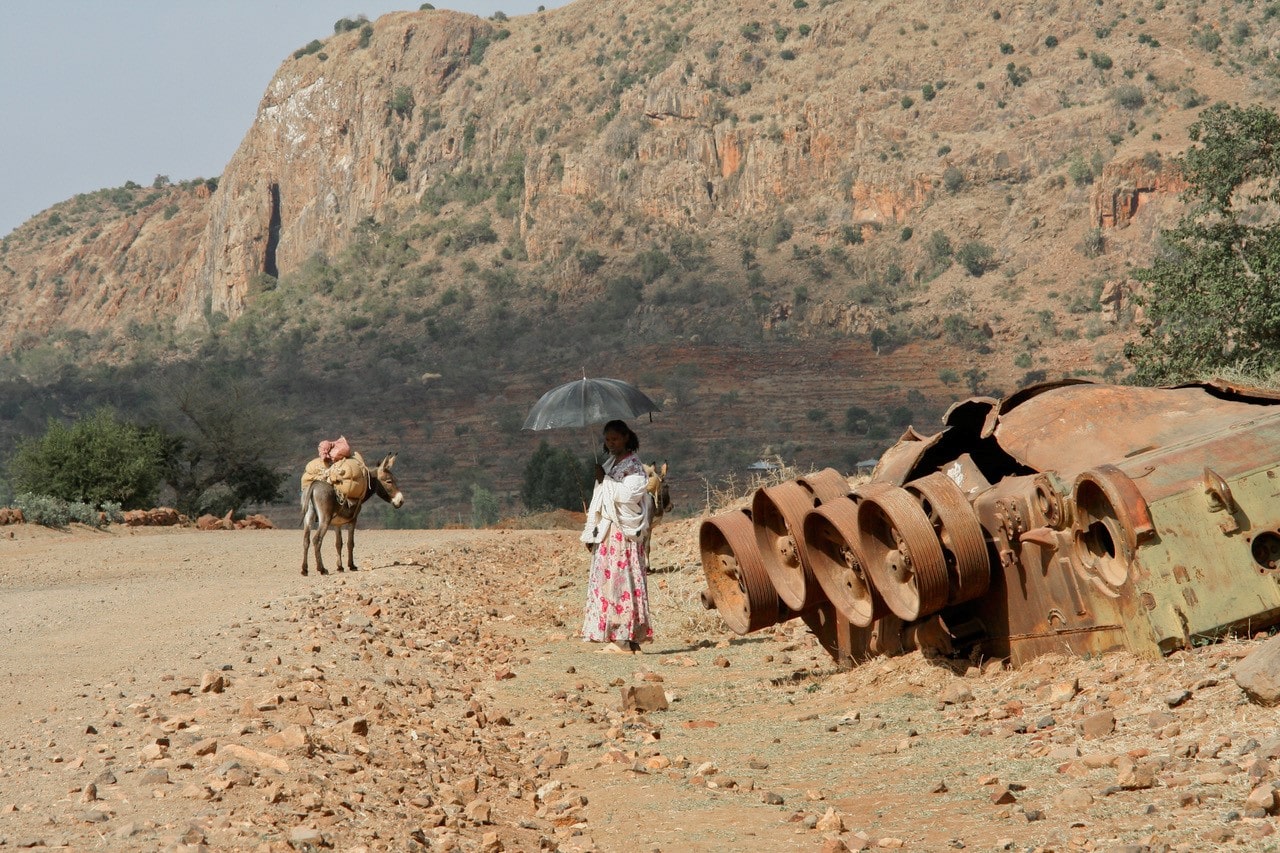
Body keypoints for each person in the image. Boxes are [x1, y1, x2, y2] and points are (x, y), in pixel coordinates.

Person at [579, 419, 655, 653]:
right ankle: (626, 638)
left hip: (621, 535)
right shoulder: (612, 463)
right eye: (607, 439)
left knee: (620, 582)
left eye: (614, 438)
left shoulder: (633, 466)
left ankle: (622, 640)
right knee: (615, 582)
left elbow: (630, 494)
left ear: (626, 438)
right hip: (610, 533)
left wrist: (605, 480)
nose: (610, 443)